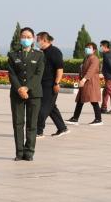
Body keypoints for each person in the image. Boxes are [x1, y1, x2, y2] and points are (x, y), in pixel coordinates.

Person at [8, 26, 45, 161]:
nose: (26, 39)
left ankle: (29, 152)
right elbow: (12, 74)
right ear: (20, 38)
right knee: (18, 123)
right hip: (16, 93)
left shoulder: (39, 55)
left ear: (33, 39)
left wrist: (27, 88)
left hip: (34, 93)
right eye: (23, 37)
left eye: (28, 37)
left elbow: (38, 74)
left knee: (32, 124)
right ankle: (19, 152)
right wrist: (19, 88)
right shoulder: (13, 55)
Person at [35, 32, 68, 138]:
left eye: (38, 40)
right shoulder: (42, 52)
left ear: (44, 40)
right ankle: (62, 128)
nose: (36, 42)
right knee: (51, 107)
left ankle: (38, 131)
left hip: (50, 85)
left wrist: (57, 83)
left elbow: (60, 69)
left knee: (42, 109)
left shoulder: (55, 52)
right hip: (41, 84)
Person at [70, 42, 103, 124]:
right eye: (86, 47)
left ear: (94, 50)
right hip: (85, 82)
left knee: (93, 100)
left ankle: (98, 119)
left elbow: (91, 70)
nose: (87, 49)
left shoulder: (94, 59)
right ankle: (75, 118)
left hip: (91, 82)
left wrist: (84, 79)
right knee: (80, 100)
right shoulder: (86, 58)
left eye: (89, 47)